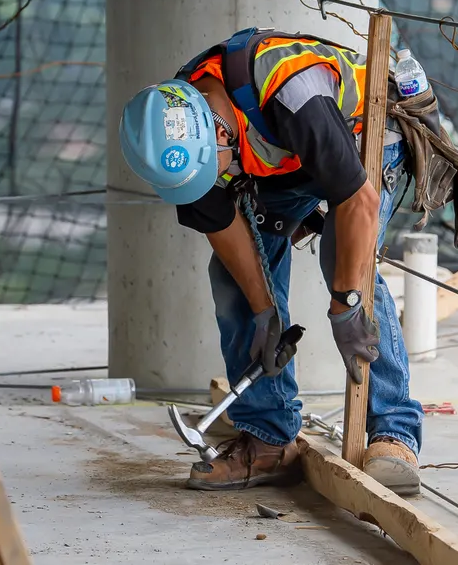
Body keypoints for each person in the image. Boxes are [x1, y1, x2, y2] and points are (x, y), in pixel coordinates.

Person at [118, 27, 424, 496]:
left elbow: (357, 198)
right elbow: (223, 228)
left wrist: (346, 305)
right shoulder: (184, 140)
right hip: (284, 155)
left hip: (368, 132)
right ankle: (269, 437)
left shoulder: (292, 89)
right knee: (235, 281)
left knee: (342, 259)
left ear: (220, 130)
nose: (215, 180)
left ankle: (394, 431)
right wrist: (265, 313)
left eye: (214, 169)